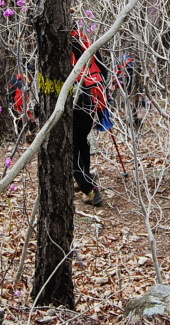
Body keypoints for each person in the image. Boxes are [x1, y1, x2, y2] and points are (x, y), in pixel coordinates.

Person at [70, 30, 109, 207]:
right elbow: (104, 70)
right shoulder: (84, 41)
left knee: (71, 147)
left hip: (75, 101)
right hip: (92, 98)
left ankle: (89, 189)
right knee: (81, 141)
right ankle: (82, 180)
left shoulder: (60, 45)